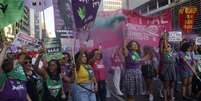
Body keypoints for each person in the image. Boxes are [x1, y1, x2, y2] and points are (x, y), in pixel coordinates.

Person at [159, 33, 176, 101]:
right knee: (166, 86)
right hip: (166, 72)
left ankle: (171, 98)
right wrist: (164, 39)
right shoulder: (163, 53)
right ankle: (165, 99)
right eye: (167, 46)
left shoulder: (172, 54)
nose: (168, 47)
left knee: (172, 86)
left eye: (169, 46)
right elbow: (163, 47)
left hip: (172, 71)